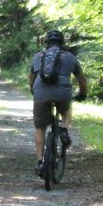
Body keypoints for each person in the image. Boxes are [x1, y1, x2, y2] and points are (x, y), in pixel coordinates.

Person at [29, 29, 87, 175]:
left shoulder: (38, 56)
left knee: (40, 127)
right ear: (62, 43)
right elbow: (81, 79)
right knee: (67, 109)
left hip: (41, 93)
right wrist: (82, 93)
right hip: (63, 93)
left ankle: (40, 161)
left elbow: (31, 77)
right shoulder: (70, 57)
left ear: (47, 43)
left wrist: (33, 91)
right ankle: (65, 130)